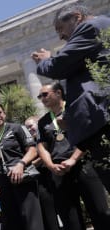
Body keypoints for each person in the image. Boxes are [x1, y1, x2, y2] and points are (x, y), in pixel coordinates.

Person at [32, 3, 110, 190]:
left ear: (77, 17)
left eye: (60, 28)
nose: (60, 36)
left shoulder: (89, 27)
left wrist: (45, 60)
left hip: (103, 120)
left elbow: (57, 67)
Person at [36, 82, 103, 230]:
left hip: (82, 164)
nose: (43, 98)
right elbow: (41, 145)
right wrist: (50, 165)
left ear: (58, 93)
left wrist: (73, 159)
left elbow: (87, 135)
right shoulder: (43, 122)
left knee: (99, 210)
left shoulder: (74, 110)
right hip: (58, 169)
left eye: (45, 94)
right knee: (69, 215)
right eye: (40, 96)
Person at [24, 115, 66, 230]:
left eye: (31, 125)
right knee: (46, 218)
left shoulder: (44, 138)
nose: (30, 129)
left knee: (56, 215)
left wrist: (27, 165)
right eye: (27, 127)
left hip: (52, 177)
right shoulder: (30, 143)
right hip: (39, 181)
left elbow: (43, 155)